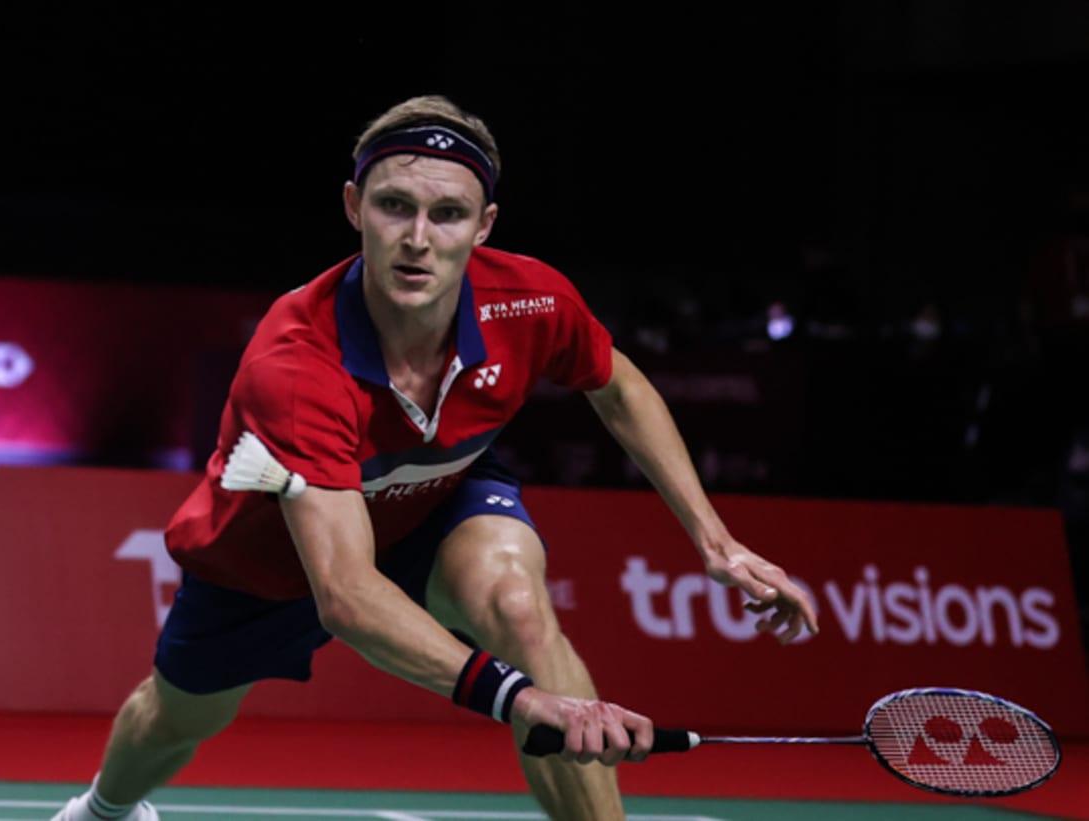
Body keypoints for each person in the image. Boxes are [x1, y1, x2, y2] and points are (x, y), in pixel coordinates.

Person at [54, 94, 819, 821]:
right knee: (177, 719)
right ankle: (104, 807)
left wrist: (716, 540)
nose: (418, 238)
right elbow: (347, 594)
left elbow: (617, 385)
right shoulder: (295, 365)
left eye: (447, 213)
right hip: (273, 553)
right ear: (354, 206)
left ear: (483, 225)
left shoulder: (531, 301)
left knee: (517, 605)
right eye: (395, 205)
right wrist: (520, 699)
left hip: (435, 492)